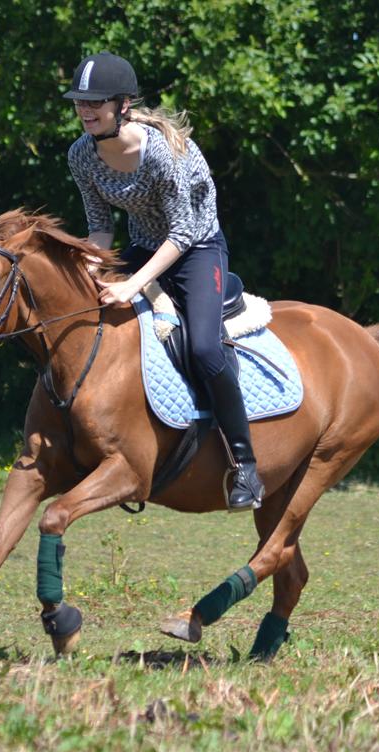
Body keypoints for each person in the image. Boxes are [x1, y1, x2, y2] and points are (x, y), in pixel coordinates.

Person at [64, 52, 264, 512]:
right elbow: (99, 227)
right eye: (80, 102)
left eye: (95, 103)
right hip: (143, 247)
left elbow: (181, 234)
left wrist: (133, 285)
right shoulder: (80, 154)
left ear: (124, 105)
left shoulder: (161, 153)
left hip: (197, 249)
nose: (85, 111)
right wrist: (92, 264)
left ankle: (246, 467)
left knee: (205, 350)